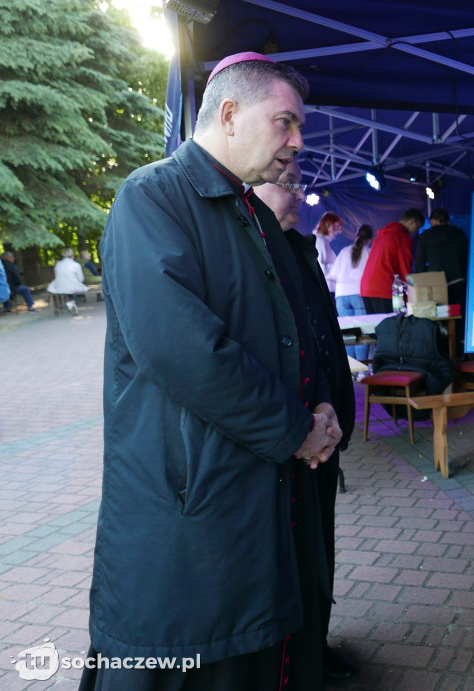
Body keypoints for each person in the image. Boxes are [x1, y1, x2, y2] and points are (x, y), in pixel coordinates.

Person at [79, 51, 342, 691]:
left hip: (255, 496)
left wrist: (326, 404)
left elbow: (302, 327)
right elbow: (185, 351)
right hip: (194, 503)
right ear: (229, 114)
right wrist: (295, 429)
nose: (298, 141)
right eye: (285, 123)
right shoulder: (152, 196)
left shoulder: (250, 213)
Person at [253, 165, 359, 683]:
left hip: (324, 427)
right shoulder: (250, 250)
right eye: (289, 185)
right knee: (293, 557)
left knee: (321, 551)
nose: (300, 196)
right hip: (291, 437)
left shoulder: (298, 247)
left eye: (299, 186)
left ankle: (317, 643)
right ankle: (295, 660)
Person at [414, 207, 469, 351]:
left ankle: (441, 352)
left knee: (437, 320)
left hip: (436, 285)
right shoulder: (460, 234)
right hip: (459, 281)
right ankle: (457, 353)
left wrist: (421, 281)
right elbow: (466, 258)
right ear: (448, 220)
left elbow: (419, 263)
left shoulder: (425, 236)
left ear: (432, 221)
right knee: (458, 319)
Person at [359, 208, 424, 314]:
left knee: (373, 328)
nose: (415, 232)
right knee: (389, 328)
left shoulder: (380, 236)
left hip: (366, 288)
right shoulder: (403, 238)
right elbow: (405, 268)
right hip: (384, 288)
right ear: (412, 222)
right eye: (417, 228)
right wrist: (412, 294)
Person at [328, 223, 374, 361]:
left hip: (341, 295)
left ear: (356, 236)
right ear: (370, 239)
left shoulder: (343, 251)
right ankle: (362, 370)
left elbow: (333, 275)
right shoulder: (369, 252)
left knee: (348, 335)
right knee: (362, 333)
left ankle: (352, 372)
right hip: (359, 294)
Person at [47, 247, 88, 314]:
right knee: (79, 289)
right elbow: (81, 279)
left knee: (69, 289)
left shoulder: (58, 264)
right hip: (73, 286)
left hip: (59, 287)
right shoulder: (76, 265)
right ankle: (72, 303)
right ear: (72, 256)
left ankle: (71, 303)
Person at [313, 211, 343, 293]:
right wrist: (338, 268)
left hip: (329, 288)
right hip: (326, 289)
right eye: (335, 228)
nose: (337, 231)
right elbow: (318, 267)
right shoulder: (320, 242)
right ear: (327, 225)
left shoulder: (323, 242)